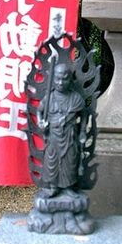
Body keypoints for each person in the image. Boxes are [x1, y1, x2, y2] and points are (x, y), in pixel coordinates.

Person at [38, 62, 86, 197]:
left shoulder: (75, 98)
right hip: (53, 135)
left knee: (70, 161)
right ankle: (53, 187)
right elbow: (39, 111)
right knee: (52, 160)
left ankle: (68, 187)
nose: (60, 82)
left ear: (70, 80)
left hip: (70, 135)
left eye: (64, 79)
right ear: (53, 79)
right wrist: (41, 122)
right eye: (57, 78)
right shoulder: (50, 97)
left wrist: (82, 131)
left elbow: (83, 115)